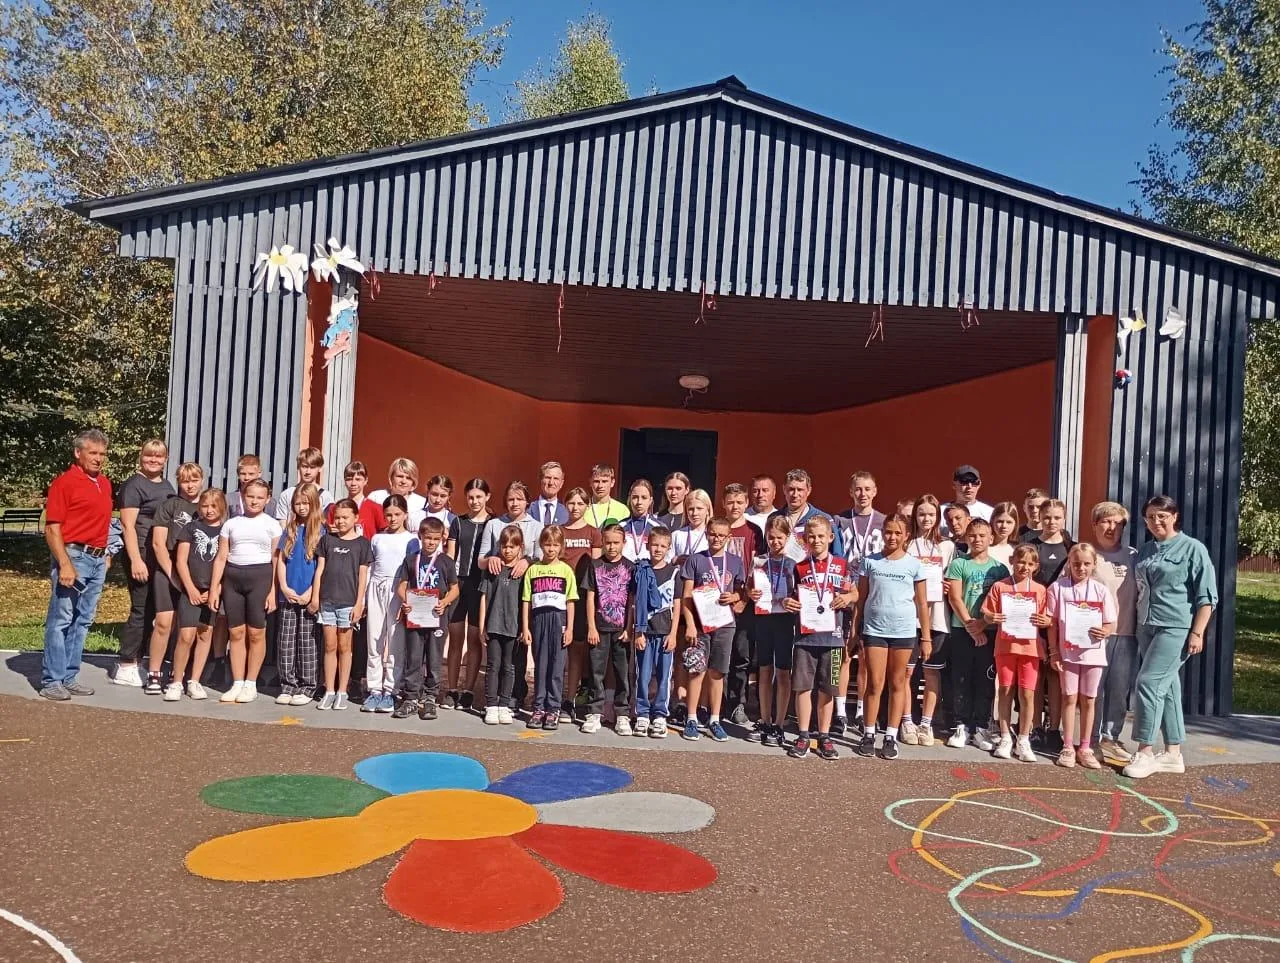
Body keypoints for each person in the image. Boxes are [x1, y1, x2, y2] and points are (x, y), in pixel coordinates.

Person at [1122, 495, 1218, 779]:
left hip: (1175, 628)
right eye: (1150, 517)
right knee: (1168, 687)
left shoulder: (1193, 548)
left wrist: (1197, 632)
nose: (1156, 521)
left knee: (1149, 683)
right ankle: (1173, 753)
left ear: (1174, 516)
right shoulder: (1146, 550)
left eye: (1162, 516)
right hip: (1146, 626)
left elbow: (1207, 597)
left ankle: (1145, 752)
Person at [39, 428, 114, 701]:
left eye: (102, 454)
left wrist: (106, 553)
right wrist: (65, 564)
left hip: (97, 559)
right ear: (78, 453)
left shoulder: (104, 483)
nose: (98, 458)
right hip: (74, 556)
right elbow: (52, 529)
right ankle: (52, 680)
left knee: (82, 620)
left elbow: (103, 521)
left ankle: (69, 676)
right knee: (61, 619)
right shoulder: (64, 483)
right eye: (92, 453)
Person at [853, 514, 929, 760]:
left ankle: (890, 736)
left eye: (898, 533)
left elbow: (922, 603)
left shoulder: (914, 565)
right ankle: (868, 733)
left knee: (897, 683)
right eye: (888, 532)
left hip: (904, 632)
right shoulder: (870, 562)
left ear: (906, 535)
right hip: (874, 630)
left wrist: (926, 637)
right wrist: (854, 630)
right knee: (875, 684)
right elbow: (861, 599)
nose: (892, 537)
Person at [783, 515, 857, 760]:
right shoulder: (799, 567)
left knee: (828, 689)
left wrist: (848, 598)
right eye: (811, 537)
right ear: (805, 540)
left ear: (830, 537)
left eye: (821, 536)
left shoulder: (842, 565)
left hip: (833, 638)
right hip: (805, 638)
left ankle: (824, 736)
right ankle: (803, 735)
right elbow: (790, 596)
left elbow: (855, 593)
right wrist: (787, 602)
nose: (816, 540)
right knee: (803, 687)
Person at [209, 478, 281, 703]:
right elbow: (221, 557)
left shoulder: (272, 525)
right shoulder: (231, 524)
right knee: (236, 632)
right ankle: (237, 682)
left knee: (256, 633)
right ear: (242, 496)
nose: (254, 501)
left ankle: (251, 683)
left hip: (260, 579)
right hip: (233, 580)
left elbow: (276, 560)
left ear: (267, 499)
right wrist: (214, 588)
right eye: (250, 496)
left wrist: (273, 591)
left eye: (260, 497)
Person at [1047, 543, 1117, 769]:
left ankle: (1085, 747)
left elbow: (1110, 622)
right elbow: (1052, 623)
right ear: (1069, 563)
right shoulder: (1058, 588)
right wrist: (1054, 652)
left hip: (1093, 653)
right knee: (1069, 698)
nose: (1081, 568)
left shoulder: (1101, 590)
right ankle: (1068, 746)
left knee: (1089, 700)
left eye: (1087, 563)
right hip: (1067, 654)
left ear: (1094, 564)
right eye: (1076, 563)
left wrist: (1105, 631)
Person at [114, 438, 176, 688]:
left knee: (152, 609)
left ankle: (139, 660)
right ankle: (126, 663)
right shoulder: (133, 485)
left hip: (158, 554)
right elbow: (127, 525)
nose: (153, 460)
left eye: (159, 456)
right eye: (149, 455)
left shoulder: (167, 485)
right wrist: (136, 560)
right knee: (140, 609)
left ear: (165, 459)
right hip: (140, 553)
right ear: (141, 457)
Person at [678, 516, 746, 743]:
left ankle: (715, 719)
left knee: (718, 673)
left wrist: (735, 596)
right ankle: (691, 718)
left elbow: (741, 592)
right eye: (713, 534)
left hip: (725, 624)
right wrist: (689, 624)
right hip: (700, 625)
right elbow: (687, 596)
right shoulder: (696, 560)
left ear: (729, 538)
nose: (716, 538)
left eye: (721, 535)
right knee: (696, 671)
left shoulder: (735, 561)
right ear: (706, 534)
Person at [943, 518, 1008, 751]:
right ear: (966, 538)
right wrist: (971, 625)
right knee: (961, 678)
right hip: (962, 629)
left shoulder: (999, 569)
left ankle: (981, 726)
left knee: (985, 680)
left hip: (989, 631)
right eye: (972, 535)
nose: (977, 539)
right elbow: (955, 597)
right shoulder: (959, 564)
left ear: (991, 538)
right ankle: (961, 725)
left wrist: (982, 624)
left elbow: (1002, 601)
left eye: (982, 535)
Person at [982, 544, 1049, 762]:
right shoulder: (1000, 586)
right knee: (1005, 690)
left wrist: (1045, 620)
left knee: (1028, 694)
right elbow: (986, 612)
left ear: (1036, 566)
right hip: (1005, 647)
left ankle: (1023, 738)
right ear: (1012, 561)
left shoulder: (1039, 590)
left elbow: (1048, 618)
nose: (1024, 567)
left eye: (1030, 564)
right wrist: (992, 617)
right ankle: (1005, 737)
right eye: (1021, 562)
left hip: (1030, 649)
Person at [144, 461, 204, 693]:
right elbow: (158, 544)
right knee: (164, 622)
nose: (190, 485)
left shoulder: (207, 506)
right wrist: (172, 576)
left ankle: (177, 673)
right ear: (179, 482)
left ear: (201, 480)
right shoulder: (169, 505)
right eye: (185, 481)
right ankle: (154, 672)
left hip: (194, 571)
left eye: (194, 480)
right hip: (168, 569)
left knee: (187, 627)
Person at [834, 470, 886, 737]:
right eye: (858, 489)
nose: (862, 494)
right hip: (844, 595)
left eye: (867, 489)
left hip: (872, 596)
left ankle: (862, 711)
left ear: (875, 491)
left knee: (866, 657)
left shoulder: (884, 522)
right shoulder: (839, 520)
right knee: (843, 654)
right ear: (850, 491)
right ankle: (840, 711)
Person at [393, 517, 459, 721]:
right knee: (413, 657)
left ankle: (430, 698)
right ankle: (411, 698)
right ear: (420, 536)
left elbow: (455, 589)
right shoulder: (411, 560)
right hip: (415, 616)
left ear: (441, 539)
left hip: (437, 617)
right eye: (428, 538)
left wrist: (445, 602)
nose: (431, 542)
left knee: (434, 658)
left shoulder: (446, 561)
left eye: (436, 539)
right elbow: (401, 586)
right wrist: (405, 601)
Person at [905, 495, 955, 747]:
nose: (926, 519)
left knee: (932, 672)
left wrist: (948, 586)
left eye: (931, 515)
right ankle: (906, 721)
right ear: (915, 515)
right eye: (922, 514)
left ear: (938, 518)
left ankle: (926, 723)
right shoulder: (907, 544)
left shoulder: (946, 546)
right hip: (910, 617)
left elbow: (952, 578)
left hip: (937, 618)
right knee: (906, 673)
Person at [1091, 501, 1139, 761]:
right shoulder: (1087, 554)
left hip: (1127, 632)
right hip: (1095, 635)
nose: (1112, 528)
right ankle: (1090, 740)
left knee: (1119, 690)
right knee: (1094, 691)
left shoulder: (1133, 556)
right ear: (1095, 525)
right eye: (1106, 522)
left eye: (1118, 524)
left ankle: (1111, 738)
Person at [312, 499, 372, 709]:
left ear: (356, 518)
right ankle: (329, 689)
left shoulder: (362, 544)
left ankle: (342, 691)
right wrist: (316, 597)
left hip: (348, 603)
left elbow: (363, 576)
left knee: (345, 647)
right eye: (337, 517)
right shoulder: (327, 540)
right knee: (330, 646)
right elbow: (320, 570)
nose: (341, 521)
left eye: (345, 517)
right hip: (327, 601)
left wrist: (359, 603)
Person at [520, 526, 578, 730]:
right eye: (547, 544)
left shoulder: (566, 570)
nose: (551, 549)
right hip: (539, 620)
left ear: (561, 546)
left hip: (558, 619)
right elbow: (526, 601)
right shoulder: (533, 570)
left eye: (555, 545)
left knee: (556, 666)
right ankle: (539, 708)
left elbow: (570, 601)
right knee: (541, 665)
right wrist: (525, 627)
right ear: (541, 545)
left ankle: (553, 708)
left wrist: (570, 628)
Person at [170, 488, 226, 701]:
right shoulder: (191, 528)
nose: (209, 510)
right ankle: (177, 681)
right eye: (205, 506)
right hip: (191, 591)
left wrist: (215, 590)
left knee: (205, 634)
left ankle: (194, 680)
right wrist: (190, 589)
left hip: (212, 592)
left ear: (222, 507)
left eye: (214, 506)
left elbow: (226, 563)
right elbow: (180, 561)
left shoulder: (226, 531)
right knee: (186, 636)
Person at [747, 515, 797, 748]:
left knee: (783, 672)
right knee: (764, 670)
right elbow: (749, 587)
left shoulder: (793, 563)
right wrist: (750, 593)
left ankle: (779, 723)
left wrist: (791, 600)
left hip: (784, 620)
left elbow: (800, 593)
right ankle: (765, 720)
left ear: (787, 537)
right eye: (771, 538)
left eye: (779, 538)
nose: (775, 542)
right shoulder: (759, 561)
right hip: (764, 618)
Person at [1029, 497, 1074, 753]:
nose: (1051, 522)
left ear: (1064, 519)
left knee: (1055, 675)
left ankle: (1054, 729)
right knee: (1035, 676)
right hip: (1032, 620)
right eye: (1047, 517)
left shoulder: (1071, 548)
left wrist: (1054, 618)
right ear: (1040, 517)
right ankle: (1035, 727)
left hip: (1060, 621)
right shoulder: (1030, 545)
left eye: (1057, 517)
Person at [362, 495, 414, 712]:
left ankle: (391, 690)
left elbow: (412, 571)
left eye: (397, 514)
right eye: (388, 515)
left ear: (405, 515)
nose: (392, 519)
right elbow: (370, 568)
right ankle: (374, 689)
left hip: (398, 590)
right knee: (374, 640)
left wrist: (407, 598)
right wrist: (364, 598)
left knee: (395, 643)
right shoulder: (377, 538)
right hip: (376, 587)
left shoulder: (412, 540)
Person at [581, 524, 635, 735]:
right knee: (596, 671)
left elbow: (631, 601)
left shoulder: (630, 567)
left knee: (622, 672)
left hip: (621, 629)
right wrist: (591, 627)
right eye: (608, 542)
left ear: (624, 543)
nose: (612, 547)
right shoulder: (595, 565)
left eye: (616, 543)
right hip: (599, 628)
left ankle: (622, 714)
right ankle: (594, 712)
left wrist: (629, 628)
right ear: (602, 542)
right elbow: (590, 597)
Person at [444, 478, 492, 712]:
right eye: (471, 497)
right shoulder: (458, 522)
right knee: (455, 638)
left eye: (479, 497)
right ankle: (452, 689)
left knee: (474, 639)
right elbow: (451, 555)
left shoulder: (493, 523)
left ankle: (469, 690)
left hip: (479, 585)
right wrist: (448, 584)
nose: (474, 501)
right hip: (458, 584)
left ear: (487, 497)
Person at [274, 484, 324, 706]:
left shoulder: (321, 531)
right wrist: (284, 587)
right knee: (286, 640)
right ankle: (288, 684)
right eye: (297, 503)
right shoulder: (291, 529)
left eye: (306, 503)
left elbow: (322, 567)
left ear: (314, 504)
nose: (302, 507)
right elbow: (281, 561)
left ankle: (307, 686)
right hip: (288, 595)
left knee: (307, 641)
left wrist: (312, 593)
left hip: (308, 596)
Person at [632, 525, 680, 738]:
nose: (658, 549)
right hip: (645, 632)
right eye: (654, 545)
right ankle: (642, 714)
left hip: (665, 633)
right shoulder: (640, 571)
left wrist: (673, 633)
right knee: (642, 675)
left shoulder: (674, 572)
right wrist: (637, 632)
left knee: (663, 676)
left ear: (669, 548)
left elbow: (677, 605)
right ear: (647, 545)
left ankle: (660, 715)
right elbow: (634, 603)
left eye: (662, 546)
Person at [559, 487, 602, 723]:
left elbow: (596, 568)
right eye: (571, 503)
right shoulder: (559, 531)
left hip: (583, 596)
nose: (575, 507)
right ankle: (554, 698)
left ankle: (572, 698)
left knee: (578, 649)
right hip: (559, 595)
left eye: (580, 503)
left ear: (587, 506)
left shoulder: (594, 533)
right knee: (559, 648)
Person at [478, 525, 526, 725]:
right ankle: (491, 705)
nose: (507, 550)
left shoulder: (523, 572)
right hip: (493, 625)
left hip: (513, 628)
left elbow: (526, 602)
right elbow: (483, 598)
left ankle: (504, 705)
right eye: (504, 546)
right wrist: (482, 627)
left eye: (512, 547)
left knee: (509, 667)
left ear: (520, 548)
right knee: (493, 665)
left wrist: (524, 628)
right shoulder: (493, 570)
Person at [722, 482, 760, 727]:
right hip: (718, 602)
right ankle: (715, 704)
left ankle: (738, 704)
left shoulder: (753, 531)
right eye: (730, 502)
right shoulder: (716, 527)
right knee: (718, 656)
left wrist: (744, 599)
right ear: (723, 504)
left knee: (741, 656)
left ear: (746, 503)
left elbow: (757, 568)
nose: (734, 506)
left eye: (739, 502)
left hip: (743, 604)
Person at [771, 469, 844, 563]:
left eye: (800, 490)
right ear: (784, 489)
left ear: (808, 490)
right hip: (780, 571)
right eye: (791, 489)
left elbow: (837, 555)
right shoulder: (774, 518)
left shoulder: (824, 519)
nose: (795, 494)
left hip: (813, 571)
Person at [479, 481, 543, 574]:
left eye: (519, 499)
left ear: (527, 501)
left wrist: (528, 561)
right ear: (506, 501)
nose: (515, 503)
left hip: (526, 578)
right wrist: (490, 559)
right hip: (498, 578)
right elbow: (480, 563)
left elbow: (541, 559)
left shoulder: (537, 527)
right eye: (511, 499)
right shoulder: (493, 524)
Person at [272, 447, 333, 521]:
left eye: (312, 467)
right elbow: (282, 522)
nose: (308, 472)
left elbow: (329, 523)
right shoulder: (287, 494)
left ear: (320, 468)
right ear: (298, 467)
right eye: (304, 467)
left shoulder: (325, 496)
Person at [327, 461, 384, 538]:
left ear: (365, 480)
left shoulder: (376, 508)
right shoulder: (335, 508)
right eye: (349, 479)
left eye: (358, 479)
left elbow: (383, 536)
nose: (353, 483)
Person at [368, 458, 427, 530]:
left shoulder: (422, 503)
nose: (403, 481)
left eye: (408, 478)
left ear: (413, 482)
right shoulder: (376, 497)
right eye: (400, 476)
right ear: (391, 478)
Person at [941, 464, 993, 535]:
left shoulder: (989, 512)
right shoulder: (941, 512)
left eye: (974, 482)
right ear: (954, 484)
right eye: (964, 481)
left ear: (979, 484)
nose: (969, 486)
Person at [621, 478, 659, 563]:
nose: (639, 502)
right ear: (630, 499)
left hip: (649, 570)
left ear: (650, 500)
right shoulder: (621, 526)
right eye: (635, 497)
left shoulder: (658, 527)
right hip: (625, 570)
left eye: (644, 498)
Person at [585, 463, 629, 529]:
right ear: (590, 482)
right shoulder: (583, 508)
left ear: (612, 482)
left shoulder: (622, 510)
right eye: (596, 481)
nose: (600, 486)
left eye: (604, 481)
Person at [531, 461, 570, 526]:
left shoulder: (567, 512)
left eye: (556, 478)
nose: (551, 483)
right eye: (548, 477)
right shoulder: (527, 509)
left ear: (561, 483)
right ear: (540, 480)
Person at [227, 454, 262, 519]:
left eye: (251, 474)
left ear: (259, 473)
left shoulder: (269, 502)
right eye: (243, 474)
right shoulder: (228, 499)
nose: (246, 478)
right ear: (238, 474)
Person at [744, 474, 778, 539]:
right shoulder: (743, 518)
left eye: (765, 490)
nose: (760, 495)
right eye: (755, 491)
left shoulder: (781, 517)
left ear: (774, 493)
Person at [989, 502, 1020, 569]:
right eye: (1000, 521)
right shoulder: (983, 547)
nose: (1004, 526)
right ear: (992, 521)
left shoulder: (1017, 550)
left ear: (1015, 524)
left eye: (1009, 522)